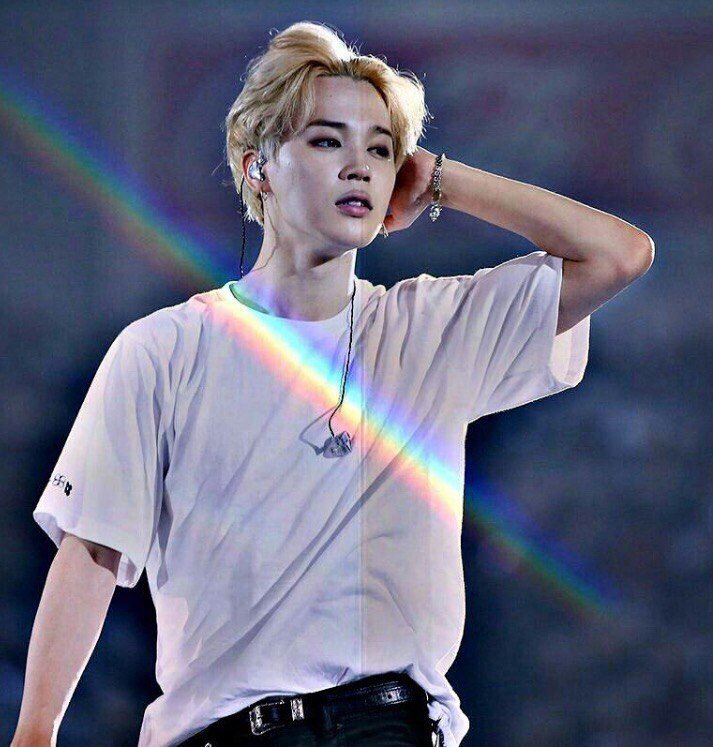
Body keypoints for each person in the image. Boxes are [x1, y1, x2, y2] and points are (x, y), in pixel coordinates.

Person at [14, 19, 654, 747]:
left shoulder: (432, 328)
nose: (359, 166)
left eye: (379, 149)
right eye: (326, 141)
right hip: (227, 733)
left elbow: (619, 255)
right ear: (259, 167)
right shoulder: (164, 350)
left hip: (390, 727)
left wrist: (442, 180)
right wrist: (36, 732)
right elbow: (93, 550)